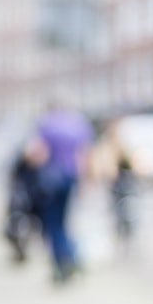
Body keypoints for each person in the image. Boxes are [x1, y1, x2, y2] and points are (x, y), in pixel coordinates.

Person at [35, 101, 94, 283]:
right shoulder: (79, 124)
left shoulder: (47, 124)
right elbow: (84, 156)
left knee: (53, 223)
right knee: (65, 220)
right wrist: (84, 182)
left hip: (52, 181)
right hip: (71, 178)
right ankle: (71, 257)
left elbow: (39, 153)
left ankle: (62, 263)